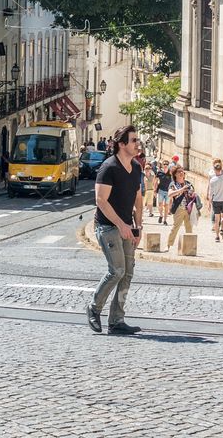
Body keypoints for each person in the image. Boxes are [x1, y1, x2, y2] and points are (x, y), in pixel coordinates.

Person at [86, 125, 143, 336]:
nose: (138, 144)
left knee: (127, 273)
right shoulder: (109, 167)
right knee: (117, 270)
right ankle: (93, 307)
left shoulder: (136, 167)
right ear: (121, 144)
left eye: (137, 140)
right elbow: (100, 200)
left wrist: (138, 226)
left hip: (127, 226)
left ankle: (117, 320)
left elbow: (138, 197)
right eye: (134, 140)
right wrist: (120, 224)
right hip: (107, 226)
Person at [165, 167, 197, 251]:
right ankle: (168, 245)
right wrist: (182, 190)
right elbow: (170, 194)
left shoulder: (188, 183)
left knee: (189, 228)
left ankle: (189, 247)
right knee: (175, 228)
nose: (181, 173)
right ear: (175, 174)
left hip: (188, 209)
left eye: (183, 172)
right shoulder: (173, 184)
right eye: (179, 172)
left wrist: (193, 194)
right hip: (179, 209)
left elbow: (193, 193)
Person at [206, 158, 223, 243]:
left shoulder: (213, 180)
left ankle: (217, 236)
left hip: (216, 201)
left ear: (214, 169)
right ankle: (222, 230)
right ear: (221, 169)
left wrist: (209, 204)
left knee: (217, 219)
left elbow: (210, 193)